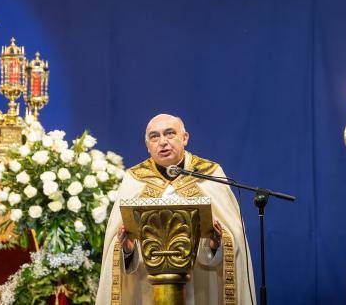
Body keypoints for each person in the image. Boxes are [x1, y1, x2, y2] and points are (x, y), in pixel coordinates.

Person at [96, 114, 255, 305]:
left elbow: (233, 235)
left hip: (200, 287)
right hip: (148, 289)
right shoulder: (134, 179)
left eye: (170, 134)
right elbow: (119, 241)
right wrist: (128, 251)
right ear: (147, 146)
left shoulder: (209, 174)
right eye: (154, 137)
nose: (163, 142)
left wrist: (215, 245)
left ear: (185, 138)